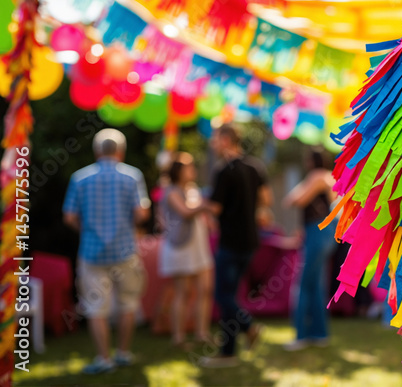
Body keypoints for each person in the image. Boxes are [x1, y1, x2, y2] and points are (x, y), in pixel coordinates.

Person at [62, 129, 150, 374]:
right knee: (128, 303)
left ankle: (104, 358)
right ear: (120, 152)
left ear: (97, 151)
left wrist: (86, 229)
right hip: (125, 251)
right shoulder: (132, 176)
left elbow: (69, 216)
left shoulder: (80, 178)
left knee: (95, 307)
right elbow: (142, 213)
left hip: (92, 253)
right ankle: (123, 352)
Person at [200, 124, 271, 368]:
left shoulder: (223, 170)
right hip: (250, 241)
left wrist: (199, 203)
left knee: (223, 295)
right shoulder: (255, 166)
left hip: (230, 241)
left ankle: (247, 330)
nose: (213, 144)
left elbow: (215, 208)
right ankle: (228, 350)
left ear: (227, 139)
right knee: (230, 295)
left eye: (216, 138)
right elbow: (266, 200)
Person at [282, 149, 338, 351]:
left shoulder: (317, 176)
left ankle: (301, 335)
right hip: (325, 234)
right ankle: (319, 333)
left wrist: (303, 185)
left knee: (303, 285)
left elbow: (294, 199)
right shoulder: (329, 176)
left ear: (311, 160)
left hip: (317, 234)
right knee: (316, 286)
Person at [159, 152, 213, 348]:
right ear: (178, 171)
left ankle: (201, 333)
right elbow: (185, 212)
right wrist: (206, 206)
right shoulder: (171, 191)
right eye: (188, 167)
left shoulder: (194, 190)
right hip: (180, 248)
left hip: (198, 246)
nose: (193, 170)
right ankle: (178, 337)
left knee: (204, 290)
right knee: (182, 292)